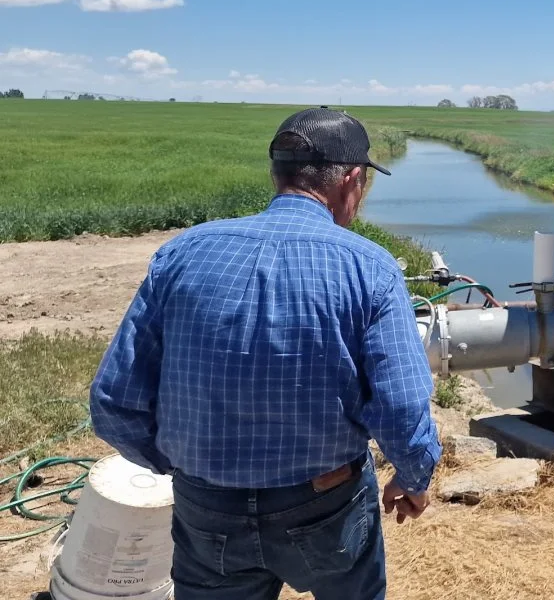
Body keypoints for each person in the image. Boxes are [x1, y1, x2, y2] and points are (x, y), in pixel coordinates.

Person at [90, 107, 442, 599]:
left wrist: (183, 469)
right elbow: (400, 405)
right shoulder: (369, 267)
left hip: (206, 508)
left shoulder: (184, 252)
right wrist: (414, 475)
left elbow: (114, 400)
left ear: (277, 173)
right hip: (328, 502)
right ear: (352, 181)